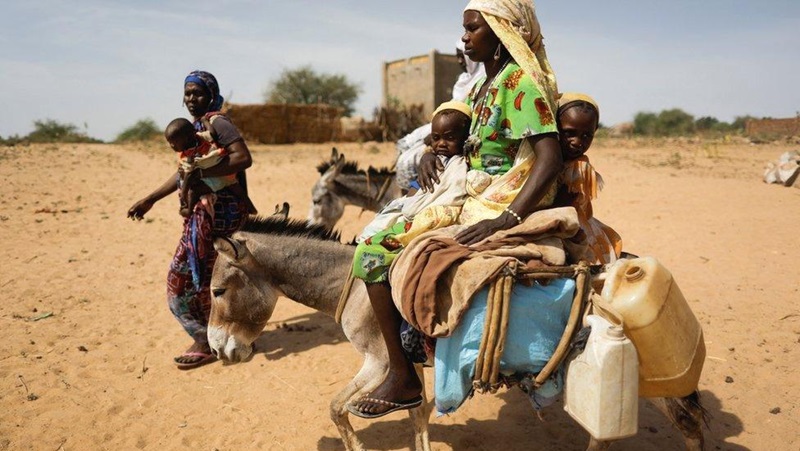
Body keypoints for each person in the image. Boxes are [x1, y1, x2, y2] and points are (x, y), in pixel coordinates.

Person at [348, 0, 563, 418]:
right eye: (463, 29)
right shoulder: (487, 85)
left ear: (501, 33)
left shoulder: (519, 83)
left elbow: (549, 157)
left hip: (494, 202)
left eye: (472, 29)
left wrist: (508, 218)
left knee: (373, 252)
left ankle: (404, 376)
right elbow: (473, 143)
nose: (464, 37)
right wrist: (434, 154)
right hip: (470, 191)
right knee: (384, 227)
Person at [127, 70, 253, 370]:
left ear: (211, 94)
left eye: (196, 93)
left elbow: (243, 158)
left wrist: (201, 174)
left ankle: (205, 340)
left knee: (182, 279)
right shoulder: (196, 128)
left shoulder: (217, 121)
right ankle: (231, 335)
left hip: (221, 213)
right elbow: (186, 169)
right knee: (213, 277)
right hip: (206, 215)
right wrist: (151, 198)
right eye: (187, 93)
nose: (190, 99)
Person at [354, 101, 473, 284]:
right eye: (436, 138)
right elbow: (414, 191)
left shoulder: (462, 164)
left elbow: (454, 193)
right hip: (412, 212)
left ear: (465, 138)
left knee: (368, 254)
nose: (441, 143)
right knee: (371, 232)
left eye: (450, 138)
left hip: (433, 217)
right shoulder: (431, 162)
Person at [553, 92, 623, 264]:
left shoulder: (578, 168)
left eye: (586, 136)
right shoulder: (548, 159)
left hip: (572, 229)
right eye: (569, 133)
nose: (577, 142)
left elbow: (562, 210)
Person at [165, 117, 255, 218]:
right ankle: (251, 208)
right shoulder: (201, 137)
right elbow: (213, 133)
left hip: (214, 177)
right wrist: (205, 122)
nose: (171, 145)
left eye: (173, 142)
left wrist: (184, 192)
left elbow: (188, 176)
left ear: (187, 138)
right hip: (225, 171)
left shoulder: (188, 156)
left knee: (194, 191)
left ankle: (188, 210)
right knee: (237, 189)